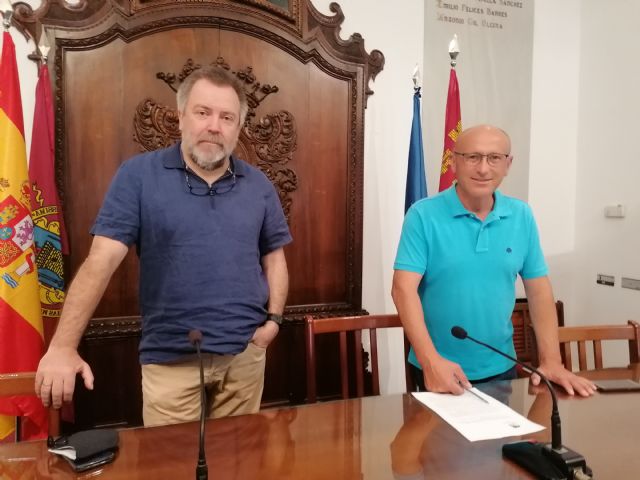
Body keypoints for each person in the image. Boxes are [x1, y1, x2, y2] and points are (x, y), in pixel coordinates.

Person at [35, 66, 292, 425]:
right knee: (171, 457)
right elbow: (100, 262)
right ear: (181, 116)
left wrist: (274, 322)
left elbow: (274, 259)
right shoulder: (138, 176)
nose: (214, 126)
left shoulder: (259, 185)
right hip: (170, 362)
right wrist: (63, 346)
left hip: (245, 357)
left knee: (240, 455)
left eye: (227, 117)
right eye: (203, 112)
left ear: (238, 127)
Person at [391, 125, 595, 397]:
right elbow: (402, 289)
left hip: (502, 367)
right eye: (473, 157)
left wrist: (551, 362)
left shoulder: (521, 215)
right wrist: (430, 362)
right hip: (438, 368)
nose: (483, 169)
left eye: (494, 158)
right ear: (454, 162)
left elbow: (539, 291)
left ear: (508, 164)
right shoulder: (423, 215)